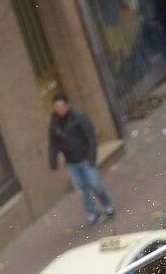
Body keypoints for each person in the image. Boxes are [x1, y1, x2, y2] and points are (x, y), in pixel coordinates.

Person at [48, 93, 116, 225]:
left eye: (61, 106)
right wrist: (53, 160)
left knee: (95, 183)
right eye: (57, 107)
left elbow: (91, 136)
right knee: (81, 190)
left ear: (67, 105)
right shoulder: (54, 123)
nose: (59, 110)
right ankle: (93, 212)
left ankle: (107, 205)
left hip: (85, 158)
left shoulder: (79, 117)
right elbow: (53, 143)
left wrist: (91, 156)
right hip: (71, 162)